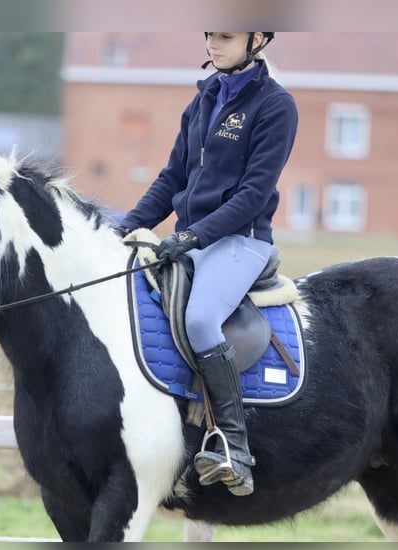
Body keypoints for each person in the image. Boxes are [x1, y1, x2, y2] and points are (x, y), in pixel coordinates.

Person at [117, 32, 298, 496]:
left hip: (241, 240)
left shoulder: (275, 106)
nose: (213, 45)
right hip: (193, 239)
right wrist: (127, 226)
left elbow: (254, 194)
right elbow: (172, 177)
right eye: (209, 36)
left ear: (256, 39)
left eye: (225, 37)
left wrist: (190, 235)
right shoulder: (203, 100)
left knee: (200, 319)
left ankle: (233, 446)